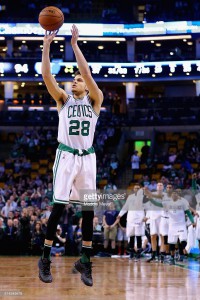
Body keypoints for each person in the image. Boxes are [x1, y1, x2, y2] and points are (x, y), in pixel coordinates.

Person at [38, 24, 103, 287]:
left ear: (85, 87)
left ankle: (85, 261)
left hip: (88, 158)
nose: (75, 80)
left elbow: (86, 72)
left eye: (78, 80)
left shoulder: (95, 99)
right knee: (58, 207)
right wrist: (46, 49)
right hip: (66, 157)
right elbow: (47, 79)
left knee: (88, 210)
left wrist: (75, 46)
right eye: (73, 79)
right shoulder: (63, 100)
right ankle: (44, 257)